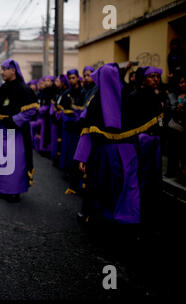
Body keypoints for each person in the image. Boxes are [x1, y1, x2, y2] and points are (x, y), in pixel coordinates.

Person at [74, 63, 141, 225]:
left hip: (105, 153)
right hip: (129, 152)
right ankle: (128, 218)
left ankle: (99, 217)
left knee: (101, 187)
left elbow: (87, 132)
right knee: (128, 187)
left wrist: (82, 157)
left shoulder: (95, 103)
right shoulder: (130, 97)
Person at [0, 59, 38, 202]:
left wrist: (14, 120)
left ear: (13, 70)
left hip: (17, 132)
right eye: (1, 69)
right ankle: (2, 189)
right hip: (3, 130)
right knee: (2, 161)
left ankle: (14, 191)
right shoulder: (1, 90)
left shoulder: (24, 89)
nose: (1, 72)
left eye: (4, 69)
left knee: (16, 162)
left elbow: (31, 110)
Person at [125, 66, 166, 225]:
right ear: (143, 79)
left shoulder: (158, 97)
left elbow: (160, 118)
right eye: (152, 76)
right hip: (140, 142)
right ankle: (137, 208)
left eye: (157, 76)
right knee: (140, 175)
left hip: (154, 141)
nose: (156, 79)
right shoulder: (134, 96)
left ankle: (152, 209)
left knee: (154, 177)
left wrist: (161, 129)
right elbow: (130, 121)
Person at [59, 69, 86, 194]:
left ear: (78, 78)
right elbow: (63, 109)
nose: (71, 80)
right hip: (69, 126)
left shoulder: (84, 92)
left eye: (73, 77)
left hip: (79, 127)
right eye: (69, 78)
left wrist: (78, 120)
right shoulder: (66, 93)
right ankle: (69, 171)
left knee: (78, 152)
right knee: (68, 150)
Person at [166, 73, 186, 180]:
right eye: (181, 82)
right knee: (172, 152)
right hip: (173, 127)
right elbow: (165, 112)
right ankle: (172, 171)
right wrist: (175, 109)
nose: (183, 84)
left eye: (184, 82)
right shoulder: (172, 95)